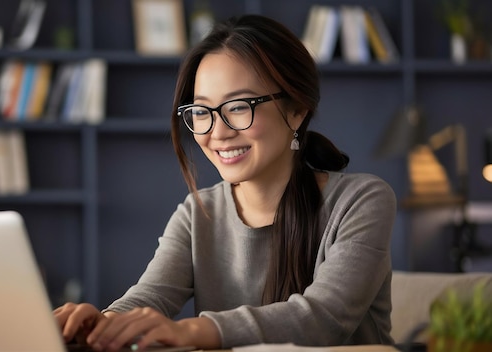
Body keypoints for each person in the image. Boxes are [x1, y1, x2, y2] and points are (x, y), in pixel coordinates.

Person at [54, 14, 396, 350]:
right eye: (202, 111)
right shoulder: (199, 213)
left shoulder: (361, 200)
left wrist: (192, 332)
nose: (218, 132)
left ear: (297, 109)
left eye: (238, 106)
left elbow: (324, 319)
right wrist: (104, 323)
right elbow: (151, 296)